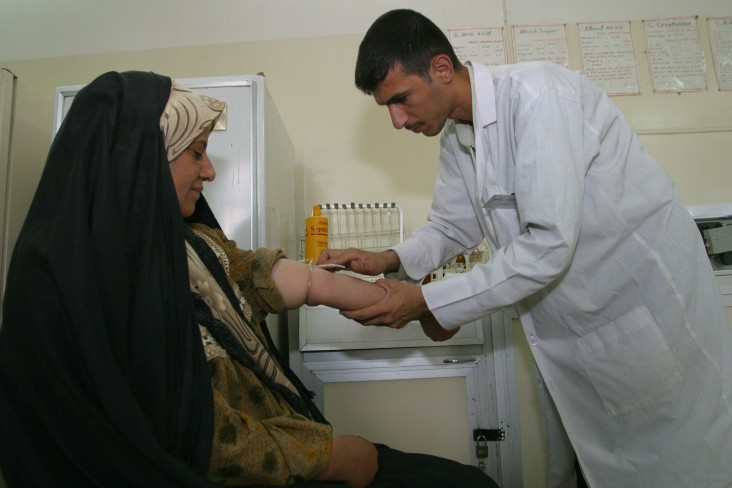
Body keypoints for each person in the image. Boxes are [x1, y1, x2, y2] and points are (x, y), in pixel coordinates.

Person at [0, 70, 497, 488]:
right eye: (196, 152)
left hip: (291, 448)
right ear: (140, 162)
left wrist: (408, 300)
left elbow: (271, 275)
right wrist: (336, 457)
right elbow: (201, 441)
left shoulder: (186, 243)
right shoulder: (69, 290)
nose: (209, 171)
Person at [318, 8, 732, 488]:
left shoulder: (540, 97)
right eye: (386, 107)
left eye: (401, 99)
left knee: (679, 462)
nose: (396, 120)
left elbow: (549, 245)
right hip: (577, 325)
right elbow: (452, 226)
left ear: (441, 69)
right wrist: (388, 260)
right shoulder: (457, 136)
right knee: (598, 461)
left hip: (635, 311)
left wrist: (427, 301)